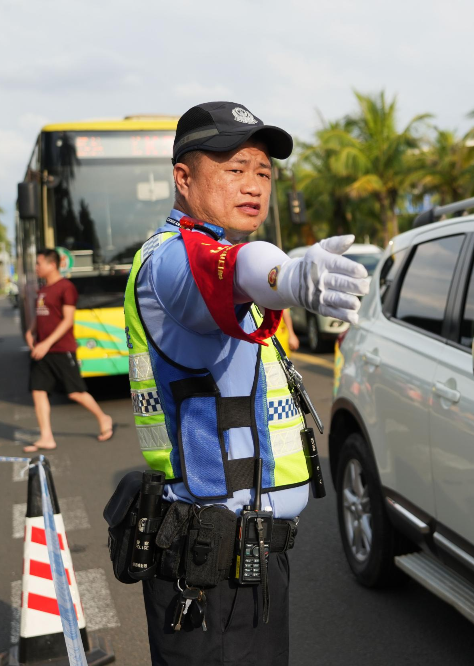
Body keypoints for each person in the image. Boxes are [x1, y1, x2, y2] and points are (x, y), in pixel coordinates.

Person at [123, 101, 368, 665]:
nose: (254, 184)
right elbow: (238, 268)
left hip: (245, 558)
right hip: (209, 567)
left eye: (263, 171)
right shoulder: (173, 261)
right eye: (234, 169)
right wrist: (289, 274)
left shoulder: (214, 257)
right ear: (184, 178)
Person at [24, 249, 113, 451]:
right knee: (38, 391)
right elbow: (40, 316)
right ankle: (46, 437)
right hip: (41, 350)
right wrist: (31, 332)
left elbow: (67, 320)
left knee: (75, 392)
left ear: (52, 265)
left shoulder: (66, 287)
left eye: (39, 264)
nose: (36, 268)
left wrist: (47, 343)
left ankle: (103, 418)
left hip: (60, 349)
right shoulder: (43, 289)